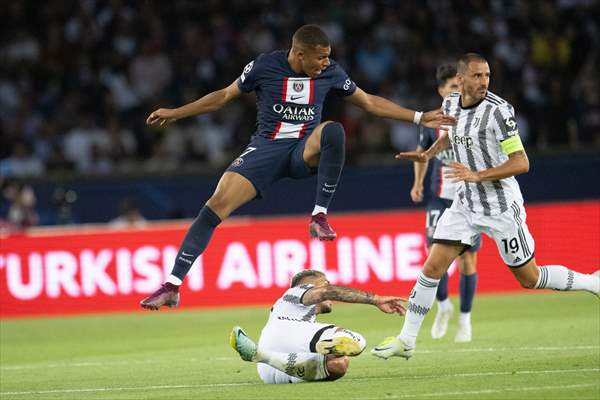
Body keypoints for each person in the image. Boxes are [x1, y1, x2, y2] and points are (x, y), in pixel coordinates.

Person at [140, 24, 455, 310]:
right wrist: (176, 113)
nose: (325, 64)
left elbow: (369, 102)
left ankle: (319, 214)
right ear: (299, 53)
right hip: (265, 149)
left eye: (327, 58)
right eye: (319, 58)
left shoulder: (331, 72)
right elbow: (223, 96)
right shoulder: (264, 66)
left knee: (333, 130)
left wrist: (417, 116)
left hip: (303, 150)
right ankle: (172, 285)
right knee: (214, 206)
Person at [372, 53, 600, 360]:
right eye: (477, 76)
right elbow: (449, 137)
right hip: (465, 205)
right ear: (462, 78)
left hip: (501, 208)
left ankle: (591, 282)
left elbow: (522, 162)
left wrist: (477, 175)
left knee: (529, 279)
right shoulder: (451, 104)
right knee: (432, 267)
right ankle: (407, 340)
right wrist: (427, 154)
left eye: (487, 76)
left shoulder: (499, 112)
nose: (483, 82)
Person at [229, 269, 406, 383]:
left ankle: (261, 356)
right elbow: (327, 291)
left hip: (271, 370)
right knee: (356, 341)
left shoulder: (294, 312)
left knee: (339, 364)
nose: (328, 287)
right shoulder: (296, 292)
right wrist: (376, 300)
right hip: (285, 332)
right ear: (309, 284)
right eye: (325, 282)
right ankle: (262, 355)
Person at [408, 64, 480, 343]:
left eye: (460, 86)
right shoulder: (433, 121)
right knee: (433, 258)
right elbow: (421, 154)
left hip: (470, 198)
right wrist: (416, 184)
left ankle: (465, 320)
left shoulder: (473, 117)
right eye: (452, 87)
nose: (457, 91)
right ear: (441, 90)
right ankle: (443, 306)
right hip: (439, 197)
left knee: (467, 260)